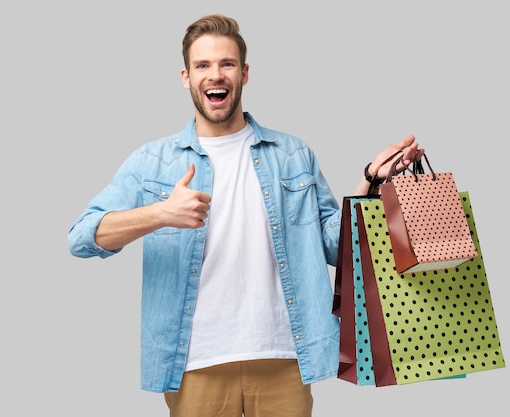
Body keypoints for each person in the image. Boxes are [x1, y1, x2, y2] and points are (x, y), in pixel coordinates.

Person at [68, 13, 424, 417]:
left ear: (244, 73)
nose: (214, 74)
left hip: (285, 359)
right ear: (186, 77)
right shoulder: (153, 162)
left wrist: (370, 183)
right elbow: (82, 238)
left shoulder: (292, 155)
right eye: (202, 65)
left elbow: (337, 248)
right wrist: (161, 213)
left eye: (226, 64)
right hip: (196, 364)